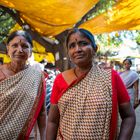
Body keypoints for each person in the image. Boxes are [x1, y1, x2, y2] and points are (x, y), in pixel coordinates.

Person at [46, 28, 136, 140]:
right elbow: (52, 121)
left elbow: (129, 116)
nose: (77, 49)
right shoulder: (60, 80)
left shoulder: (110, 78)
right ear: (69, 53)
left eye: (83, 44)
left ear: (95, 48)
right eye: (72, 46)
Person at [0, 30, 46, 140]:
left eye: (25, 46)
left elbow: (42, 113)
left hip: (25, 136)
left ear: (30, 51)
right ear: (8, 48)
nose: (19, 50)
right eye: (14, 45)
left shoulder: (37, 76)